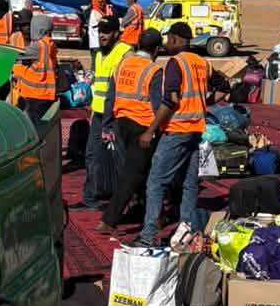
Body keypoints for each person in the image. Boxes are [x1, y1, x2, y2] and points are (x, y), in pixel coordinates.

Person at [137, 23, 209, 243]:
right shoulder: (202, 62)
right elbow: (222, 89)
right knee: (189, 183)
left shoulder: (175, 63)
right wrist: (200, 106)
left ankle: (148, 235)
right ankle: (186, 231)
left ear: (176, 39)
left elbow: (171, 99)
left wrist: (150, 130)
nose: (166, 44)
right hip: (195, 130)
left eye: (169, 39)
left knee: (156, 181)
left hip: (177, 129)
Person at [101, 28, 163, 229]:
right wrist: (159, 129)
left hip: (122, 123)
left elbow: (110, 96)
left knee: (140, 170)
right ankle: (109, 219)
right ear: (156, 50)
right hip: (143, 127)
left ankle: (149, 213)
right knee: (133, 173)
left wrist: (106, 124)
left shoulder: (122, 64)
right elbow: (156, 104)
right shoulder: (153, 70)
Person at [83, 16, 128, 203]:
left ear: (116, 33)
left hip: (116, 115)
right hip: (99, 113)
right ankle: (91, 196)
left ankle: (121, 199)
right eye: (100, 31)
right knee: (92, 154)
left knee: (119, 158)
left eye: (106, 32)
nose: (102, 35)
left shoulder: (124, 53)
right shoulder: (99, 54)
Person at [8, 15, 59, 106]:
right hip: (45, 92)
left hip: (34, 93)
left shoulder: (39, 45)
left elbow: (17, 55)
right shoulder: (49, 43)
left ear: (38, 29)